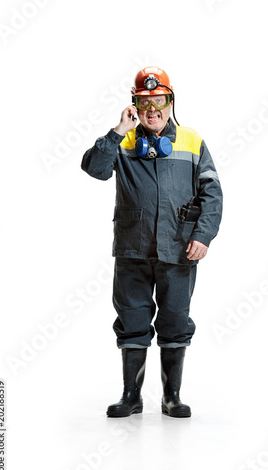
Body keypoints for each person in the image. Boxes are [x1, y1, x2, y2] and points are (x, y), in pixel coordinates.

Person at [81, 66, 223, 418]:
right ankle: (132, 396)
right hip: (132, 248)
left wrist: (202, 235)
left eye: (158, 100)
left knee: (175, 320)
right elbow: (94, 168)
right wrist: (117, 131)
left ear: (170, 101)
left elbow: (212, 194)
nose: (152, 109)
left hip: (178, 250)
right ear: (135, 106)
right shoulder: (125, 141)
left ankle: (171, 396)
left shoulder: (192, 141)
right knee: (132, 319)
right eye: (144, 102)